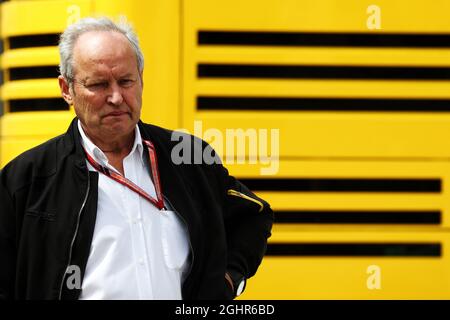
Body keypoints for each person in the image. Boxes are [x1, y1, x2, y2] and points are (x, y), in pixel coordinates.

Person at [0, 17, 273, 300]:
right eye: (99, 84)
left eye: (126, 81)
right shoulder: (26, 180)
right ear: (66, 89)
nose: (116, 97)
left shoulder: (189, 158)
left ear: (141, 79)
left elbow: (254, 217)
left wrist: (227, 282)